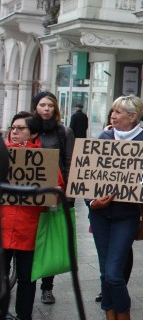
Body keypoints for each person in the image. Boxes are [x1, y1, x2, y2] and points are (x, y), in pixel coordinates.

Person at [88, 96, 143, 320]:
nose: (113, 116)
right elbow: (88, 177)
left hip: (126, 217)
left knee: (114, 274)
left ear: (133, 117)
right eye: (112, 112)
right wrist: (92, 202)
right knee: (105, 273)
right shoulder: (104, 139)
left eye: (118, 112)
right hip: (99, 216)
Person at [1, 112, 60, 320]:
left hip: (30, 230)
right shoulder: (2, 154)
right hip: (3, 226)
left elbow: (57, 193)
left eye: (21, 129)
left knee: (27, 279)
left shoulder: (44, 159)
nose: (14, 132)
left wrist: (54, 192)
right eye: (13, 128)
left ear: (33, 133)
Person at [31, 91, 75, 305]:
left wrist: (67, 194)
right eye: (42, 105)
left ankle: (47, 287)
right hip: (30, 196)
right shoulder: (29, 130)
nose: (46, 109)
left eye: (50, 105)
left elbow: (69, 163)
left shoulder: (64, 132)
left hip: (54, 195)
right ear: (35, 108)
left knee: (49, 239)